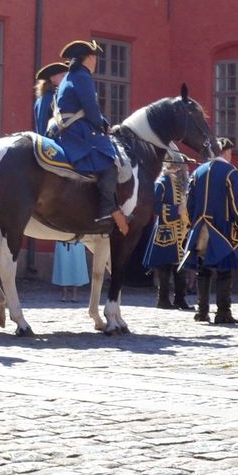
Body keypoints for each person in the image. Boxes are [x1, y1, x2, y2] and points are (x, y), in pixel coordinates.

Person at [49, 41, 126, 233]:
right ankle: (108, 210)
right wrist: (103, 125)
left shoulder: (70, 76)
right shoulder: (83, 76)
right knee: (110, 161)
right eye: (95, 57)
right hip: (78, 133)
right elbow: (91, 109)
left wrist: (102, 122)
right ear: (89, 58)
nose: (96, 61)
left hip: (68, 130)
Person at [185, 137, 238, 325]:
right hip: (222, 228)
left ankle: (202, 311)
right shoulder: (230, 172)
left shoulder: (198, 172)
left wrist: (193, 223)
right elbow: (236, 202)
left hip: (200, 227)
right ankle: (223, 312)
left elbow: (189, 203)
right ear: (226, 152)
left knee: (203, 271)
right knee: (224, 271)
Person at [26, 62, 69, 277]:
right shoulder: (48, 99)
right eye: (62, 74)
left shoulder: (50, 96)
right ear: (52, 79)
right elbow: (44, 128)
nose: (65, 77)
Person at [142, 152, 192, 310]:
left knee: (180, 266)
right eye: (182, 165)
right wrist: (176, 210)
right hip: (166, 230)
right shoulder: (162, 183)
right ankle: (163, 299)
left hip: (181, 231)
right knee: (165, 267)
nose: (184, 168)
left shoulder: (183, 184)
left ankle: (180, 299)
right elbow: (155, 206)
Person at [52, 236, 90, 302]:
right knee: (64, 268)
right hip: (63, 243)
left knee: (76, 269)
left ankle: (74, 295)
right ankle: (64, 294)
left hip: (76, 243)